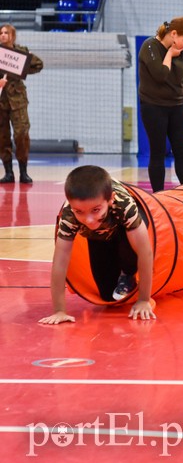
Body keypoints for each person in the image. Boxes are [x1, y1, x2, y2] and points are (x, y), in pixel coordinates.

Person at [39, 165, 155, 325]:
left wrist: (144, 299)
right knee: (107, 295)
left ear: (110, 199)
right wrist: (59, 311)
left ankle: (127, 272)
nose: (88, 219)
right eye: (79, 211)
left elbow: (145, 252)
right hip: (99, 236)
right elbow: (60, 260)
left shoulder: (123, 204)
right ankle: (115, 261)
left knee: (132, 237)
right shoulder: (69, 216)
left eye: (95, 210)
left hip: (123, 227)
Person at [138, 17, 183, 192]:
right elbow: (161, 75)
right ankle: (158, 196)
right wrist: (170, 54)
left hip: (177, 107)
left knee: (181, 152)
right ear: (173, 34)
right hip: (153, 107)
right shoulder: (149, 47)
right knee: (158, 152)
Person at [0, 24, 44, 184]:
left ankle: (23, 172)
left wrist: (22, 68)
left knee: (21, 134)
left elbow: (39, 65)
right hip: (1, 100)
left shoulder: (20, 52)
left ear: (13, 36)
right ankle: (8, 173)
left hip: (18, 100)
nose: (3, 35)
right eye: (1, 33)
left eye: (6, 33)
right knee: (2, 136)